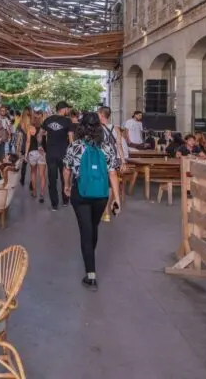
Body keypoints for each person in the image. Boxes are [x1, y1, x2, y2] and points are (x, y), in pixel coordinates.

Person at [62, 112, 120, 291]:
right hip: (101, 195)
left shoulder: (75, 146)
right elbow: (112, 173)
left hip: (81, 193)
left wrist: (66, 185)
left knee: (85, 230)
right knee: (93, 227)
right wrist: (116, 197)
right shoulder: (108, 147)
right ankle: (90, 256)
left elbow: (67, 169)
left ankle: (91, 274)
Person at [40, 101, 74, 211]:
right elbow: (71, 139)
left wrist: (43, 146)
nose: (68, 111)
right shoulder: (68, 121)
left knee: (52, 179)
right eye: (67, 109)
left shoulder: (48, 120)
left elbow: (39, 135)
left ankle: (54, 204)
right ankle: (65, 200)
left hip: (51, 154)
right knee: (65, 178)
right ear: (63, 109)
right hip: (63, 154)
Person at [23, 111, 46, 203]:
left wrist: (25, 154)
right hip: (42, 153)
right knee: (42, 175)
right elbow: (46, 140)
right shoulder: (44, 129)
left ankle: (34, 191)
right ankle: (42, 193)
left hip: (32, 152)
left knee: (33, 173)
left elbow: (28, 142)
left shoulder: (30, 128)